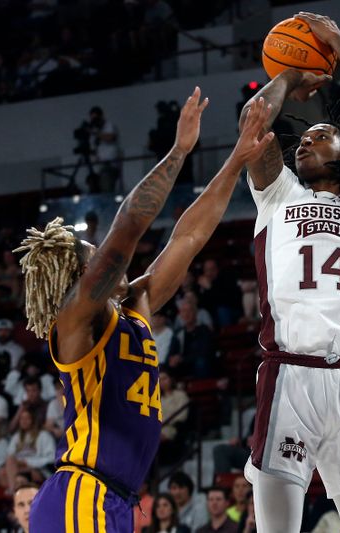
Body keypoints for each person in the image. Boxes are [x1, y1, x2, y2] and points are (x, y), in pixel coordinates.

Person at [16, 89, 275, 531]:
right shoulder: (74, 323)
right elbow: (128, 228)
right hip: (82, 492)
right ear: (83, 277)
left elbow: (188, 238)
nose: (108, 257)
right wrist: (179, 151)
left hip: (114, 498)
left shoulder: (134, 305)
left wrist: (236, 159)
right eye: (95, 256)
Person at [240, 11, 340, 533]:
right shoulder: (278, 194)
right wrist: (291, 74)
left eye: (322, 135)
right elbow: (254, 121)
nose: (305, 141)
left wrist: (336, 42)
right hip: (289, 374)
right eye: (303, 139)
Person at [2, 408, 56, 494]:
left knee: (16, 470)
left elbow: (51, 458)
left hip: (39, 469)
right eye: (22, 418)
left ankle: (14, 491)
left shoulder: (44, 435)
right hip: (19, 468)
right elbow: (9, 455)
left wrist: (27, 462)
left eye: (27, 418)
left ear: (33, 420)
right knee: (5, 468)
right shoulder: (16, 437)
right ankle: (15, 489)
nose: (24, 421)